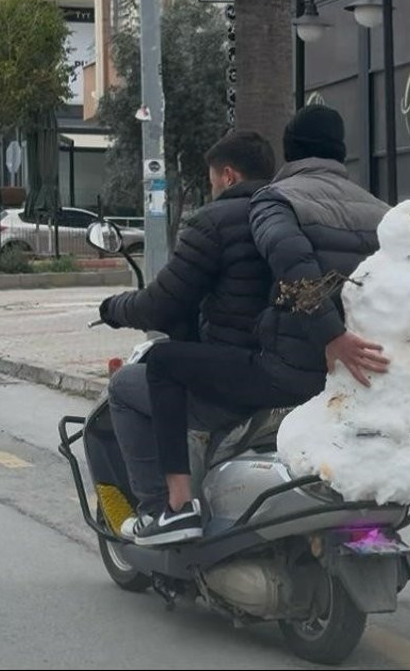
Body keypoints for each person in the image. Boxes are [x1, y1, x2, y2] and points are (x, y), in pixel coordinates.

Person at [99, 130, 285, 545]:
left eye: (212, 179)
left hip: (232, 381)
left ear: (229, 176)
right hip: (291, 374)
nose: (212, 187)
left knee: (124, 387)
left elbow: (160, 303)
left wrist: (112, 309)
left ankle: (163, 509)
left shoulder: (215, 221)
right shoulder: (290, 214)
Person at [248, 104, 410, 402]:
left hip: (295, 367)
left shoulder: (276, 199)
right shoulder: (382, 211)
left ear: (289, 150)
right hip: (374, 372)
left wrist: (332, 337)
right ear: (340, 152)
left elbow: (289, 258)